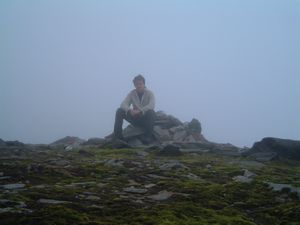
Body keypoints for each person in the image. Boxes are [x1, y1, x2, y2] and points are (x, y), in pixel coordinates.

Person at [113, 75, 155, 143]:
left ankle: (148, 137)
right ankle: (118, 136)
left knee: (151, 112)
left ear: (144, 84)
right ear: (134, 85)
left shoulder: (150, 93)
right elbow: (123, 104)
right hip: (135, 118)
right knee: (119, 111)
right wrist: (130, 110)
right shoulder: (132, 93)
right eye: (136, 84)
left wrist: (141, 111)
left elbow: (152, 105)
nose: (138, 86)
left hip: (145, 119)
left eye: (140, 84)